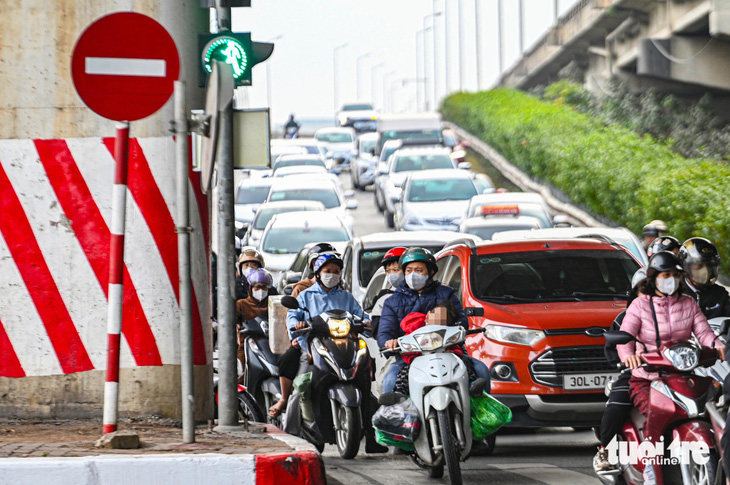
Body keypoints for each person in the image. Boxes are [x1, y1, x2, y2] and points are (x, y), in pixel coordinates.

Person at [617, 251, 723, 483]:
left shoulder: (688, 304)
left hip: (685, 374)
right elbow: (625, 336)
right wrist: (629, 356)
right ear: (654, 278)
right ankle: (650, 472)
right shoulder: (639, 305)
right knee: (655, 421)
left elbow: (704, 333)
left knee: (714, 406)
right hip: (648, 377)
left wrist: (718, 346)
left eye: (676, 274)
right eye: (666, 274)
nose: (671, 279)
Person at [283, 252, 387, 453]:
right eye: (327, 271)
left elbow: (360, 314)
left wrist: (368, 322)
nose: (332, 275)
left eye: (336, 271)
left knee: (365, 383)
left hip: (346, 346)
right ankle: (295, 433)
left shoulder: (346, 297)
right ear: (318, 273)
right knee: (302, 386)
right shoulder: (306, 295)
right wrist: (297, 324)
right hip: (314, 347)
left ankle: (372, 435)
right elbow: (293, 315)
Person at [377, 247, 491, 395]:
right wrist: (389, 342)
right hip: (408, 355)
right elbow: (385, 332)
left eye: (418, 270)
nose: (413, 275)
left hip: (448, 350)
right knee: (389, 382)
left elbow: (461, 320)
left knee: (481, 370)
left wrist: (457, 329)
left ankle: (482, 413)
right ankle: (400, 415)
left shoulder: (446, 293)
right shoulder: (391, 302)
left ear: (430, 272)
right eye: (409, 270)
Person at [593, 267, 646, 473]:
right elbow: (616, 347)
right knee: (616, 407)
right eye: (644, 289)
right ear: (634, 293)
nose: (650, 293)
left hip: (671, 374)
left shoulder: (678, 314)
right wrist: (628, 361)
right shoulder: (625, 317)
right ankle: (604, 451)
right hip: (635, 375)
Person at [392, 301, 485, 397]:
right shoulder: (414, 329)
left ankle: (472, 385)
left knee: (463, 363)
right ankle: (399, 394)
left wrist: (453, 353)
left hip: (445, 362)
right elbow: (406, 348)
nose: (437, 320)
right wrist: (412, 357)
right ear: (428, 314)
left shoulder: (446, 332)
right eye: (436, 315)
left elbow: (456, 348)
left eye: (442, 319)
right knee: (405, 371)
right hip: (420, 363)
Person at [236, 269, 276, 375]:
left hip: (270, 345)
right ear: (250, 288)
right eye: (257, 287)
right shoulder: (241, 304)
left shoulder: (273, 305)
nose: (261, 290)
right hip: (247, 345)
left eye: (264, 287)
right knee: (241, 374)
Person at [679, 237, 730, 319]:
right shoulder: (675, 294)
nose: (705, 270)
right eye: (699, 265)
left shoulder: (720, 293)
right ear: (686, 267)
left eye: (709, 265)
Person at [369, 247, 407, 338]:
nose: (392, 274)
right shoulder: (383, 298)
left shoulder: (426, 293)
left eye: (396, 270)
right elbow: (377, 329)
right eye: (388, 271)